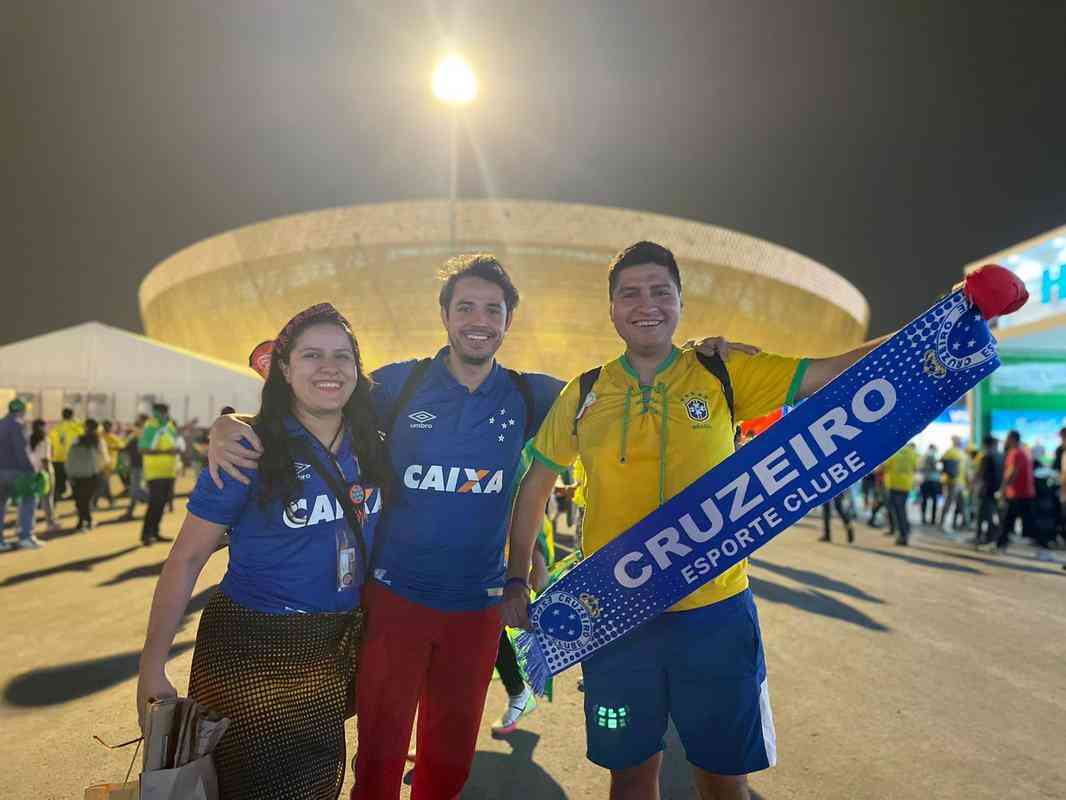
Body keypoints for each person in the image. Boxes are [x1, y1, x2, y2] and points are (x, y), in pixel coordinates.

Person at [502, 240, 901, 800]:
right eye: (630, 294)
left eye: (660, 292)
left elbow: (829, 372)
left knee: (721, 777)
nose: (647, 305)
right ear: (612, 308)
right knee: (631, 773)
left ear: (681, 301)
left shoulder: (721, 371)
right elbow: (536, 484)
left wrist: (945, 321)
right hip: (618, 619)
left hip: (714, 616)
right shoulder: (585, 392)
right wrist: (518, 575)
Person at [137, 303, 389, 800]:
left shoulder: (373, 445)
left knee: (314, 786)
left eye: (342, 356)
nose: (328, 367)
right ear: (285, 368)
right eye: (311, 355)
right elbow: (186, 559)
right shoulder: (247, 448)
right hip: (250, 648)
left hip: (329, 651)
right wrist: (151, 665)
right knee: (247, 787)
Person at [0, 399, 45, 550]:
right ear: (23, 410)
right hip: (16, 471)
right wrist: (31, 469)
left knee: (1, 504)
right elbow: (21, 450)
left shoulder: (1, 423)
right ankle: (25, 537)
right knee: (29, 499)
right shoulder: (18, 426)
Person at [139, 404, 180, 545]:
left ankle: (155, 532)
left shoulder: (169, 426)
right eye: (162, 412)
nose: (164, 414)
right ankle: (146, 534)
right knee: (154, 504)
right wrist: (166, 452)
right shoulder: (151, 426)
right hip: (155, 473)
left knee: (162, 504)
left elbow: (174, 444)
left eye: (166, 411)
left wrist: (176, 450)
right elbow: (143, 449)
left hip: (169, 471)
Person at [994, 430, 1037, 555]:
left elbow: (1012, 472)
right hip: (1024, 492)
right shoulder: (1024, 451)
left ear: (1012, 439)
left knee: (1006, 519)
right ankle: (1002, 543)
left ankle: (1000, 544)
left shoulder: (1016, 453)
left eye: (1007, 438)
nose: (1005, 440)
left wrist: (1002, 489)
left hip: (1016, 493)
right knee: (1013, 520)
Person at [66, 419, 109, 531]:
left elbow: (70, 456)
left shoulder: (76, 440)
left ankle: (82, 521)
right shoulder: (99, 441)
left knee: (80, 499)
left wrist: (70, 473)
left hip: (77, 474)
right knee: (87, 499)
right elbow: (105, 459)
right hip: (92, 473)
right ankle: (87, 521)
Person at [882, 443, 918, 546]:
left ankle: (903, 535)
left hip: (894, 485)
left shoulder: (894, 452)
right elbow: (916, 468)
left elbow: (885, 467)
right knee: (902, 509)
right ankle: (905, 531)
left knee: (898, 511)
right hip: (906, 485)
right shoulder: (913, 453)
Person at [28, 419, 60, 532]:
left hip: (31, 471)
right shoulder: (45, 439)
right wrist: (48, 473)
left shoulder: (28, 438)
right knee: (47, 498)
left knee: (31, 500)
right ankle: (50, 523)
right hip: (44, 472)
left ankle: (26, 526)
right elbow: (45, 459)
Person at [48, 407, 82, 501]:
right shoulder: (76, 426)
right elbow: (84, 434)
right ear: (72, 415)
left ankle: (57, 495)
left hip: (56, 457)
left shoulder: (56, 427)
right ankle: (74, 495)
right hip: (71, 457)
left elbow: (50, 441)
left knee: (59, 479)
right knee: (74, 478)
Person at [972, 435, 1001, 546]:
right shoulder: (1000, 456)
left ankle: (980, 537)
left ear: (985, 445)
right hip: (996, 490)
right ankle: (990, 536)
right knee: (992, 514)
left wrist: (975, 487)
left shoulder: (986, 457)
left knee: (982, 515)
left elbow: (981, 474)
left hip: (985, 490)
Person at [120, 414, 149, 520]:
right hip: (136, 465)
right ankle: (130, 512)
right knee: (134, 490)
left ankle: (156, 502)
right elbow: (126, 447)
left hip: (140, 465)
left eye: (140, 421)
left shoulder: (144, 433)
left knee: (136, 490)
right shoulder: (136, 435)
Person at [918, 444, 941, 525]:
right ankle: (933, 520)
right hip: (933, 480)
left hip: (925, 480)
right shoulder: (933, 456)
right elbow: (936, 467)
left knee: (924, 500)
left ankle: (923, 518)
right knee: (934, 500)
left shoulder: (922, 457)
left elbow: (919, 468)